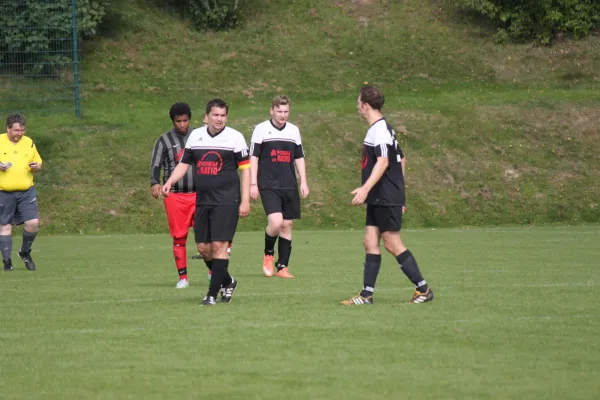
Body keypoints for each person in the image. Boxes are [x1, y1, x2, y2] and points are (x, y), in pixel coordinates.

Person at [341, 86, 434, 305]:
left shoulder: (380, 131)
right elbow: (401, 160)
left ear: (365, 105)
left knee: (392, 243)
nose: (357, 107)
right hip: (380, 196)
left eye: (358, 103)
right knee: (370, 241)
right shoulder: (380, 129)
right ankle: (366, 295)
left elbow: (384, 161)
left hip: (384, 196)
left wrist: (366, 189)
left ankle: (423, 290)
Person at [162, 98, 250, 306]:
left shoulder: (235, 138)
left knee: (219, 246)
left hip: (227, 200)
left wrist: (245, 200)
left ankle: (211, 295)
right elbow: (184, 163)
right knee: (203, 249)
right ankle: (228, 281)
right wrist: (170, 181)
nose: (219, 119)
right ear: (206, 117)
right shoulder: (196, 136)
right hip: (203, 201)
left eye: (223, 115)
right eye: (215, 115)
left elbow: (246, 171)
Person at [250, 95, 309, 278]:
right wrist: (253, 183)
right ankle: (268, 254)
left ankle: (282, 267)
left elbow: (299, 157)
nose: (283, 115)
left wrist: (303, 181)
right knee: (275, 222)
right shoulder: (261, 130)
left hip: (289, 184)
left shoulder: (293, 131)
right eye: (279, 111)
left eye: (286, 112)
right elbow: (254, 157)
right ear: (272, 111)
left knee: (287, 224)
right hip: (268, 183)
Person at [0, 114, 43, 271]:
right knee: (5, 225)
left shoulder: (29, 143)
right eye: (16, 130)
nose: (20, 133)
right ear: (8, 128)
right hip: (4, 192)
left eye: (22, 130)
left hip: (26, 191)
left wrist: (35, 167)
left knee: (33, 223)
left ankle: (25, 252)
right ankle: (7, 262)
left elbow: (38, 164)